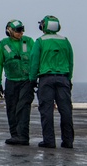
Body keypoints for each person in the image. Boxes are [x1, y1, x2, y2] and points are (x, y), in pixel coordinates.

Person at [29, 15, 74, 149]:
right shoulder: (65, 41)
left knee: (46, 110)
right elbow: (71, 62)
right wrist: (69, 78)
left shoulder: (40, 41)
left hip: (46, 79)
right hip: (63, 78)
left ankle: (49, 141)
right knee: (66, 110)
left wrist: (32, 79)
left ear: (44, 26)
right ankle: (68, 141)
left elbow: (34, 61)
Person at [0, 19, 35, 145]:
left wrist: (34, 78)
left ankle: (23, 136)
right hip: (11, 81)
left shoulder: (29, 42)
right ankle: (15, 135)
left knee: (23, 108)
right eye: (18, 30)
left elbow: (35, 59)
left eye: (22, 30)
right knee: (11, 108)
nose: (21, 32)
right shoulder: (3, 45)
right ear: (9, 31)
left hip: (26, 81)